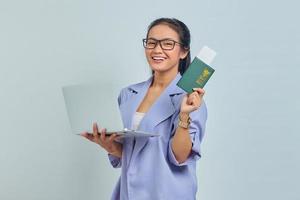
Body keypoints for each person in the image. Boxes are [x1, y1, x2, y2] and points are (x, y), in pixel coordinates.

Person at [81, 17, 207, 200]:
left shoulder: (190, 99)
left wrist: (184, 115)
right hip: (129, 193)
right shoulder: (128, 94)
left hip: (167, 194)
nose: (157, 50)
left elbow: (181, 157)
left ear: (183, 51)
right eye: (151, 43)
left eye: (168, 44)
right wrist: (108, 145)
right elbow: (133, 154)